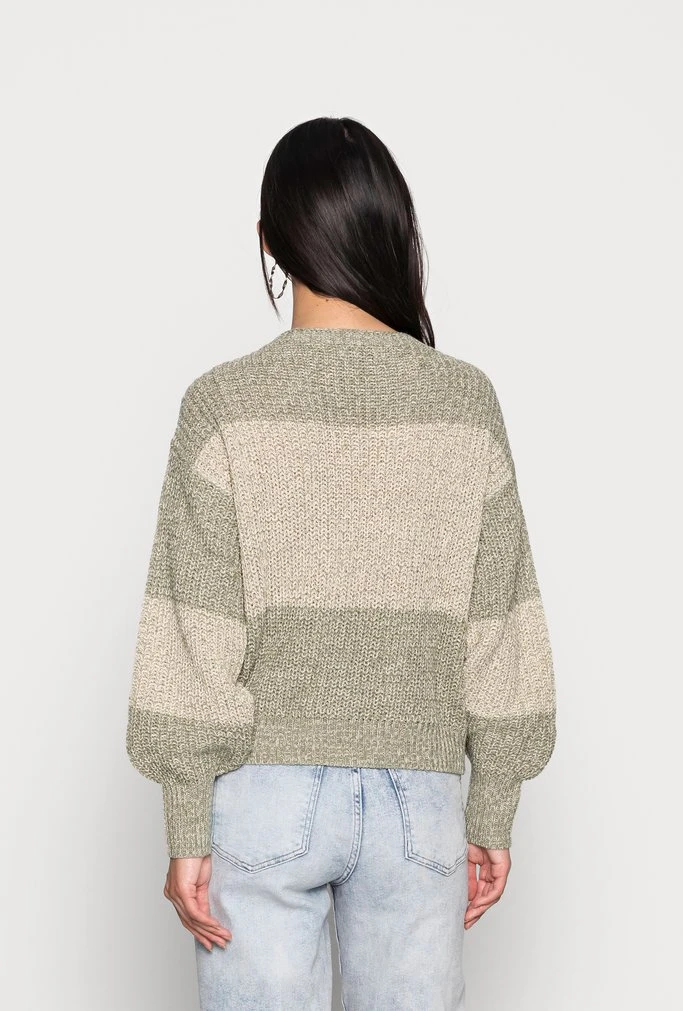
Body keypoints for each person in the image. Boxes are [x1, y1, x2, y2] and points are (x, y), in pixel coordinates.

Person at [125, 115, 556, 1010]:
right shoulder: (464, 402)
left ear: (270, 239)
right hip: (421, 804)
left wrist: (186, 820)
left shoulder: (224, 404)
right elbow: (502, 625)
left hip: (262, 799)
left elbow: (191, 633)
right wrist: (493, 805)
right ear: (390, 231)